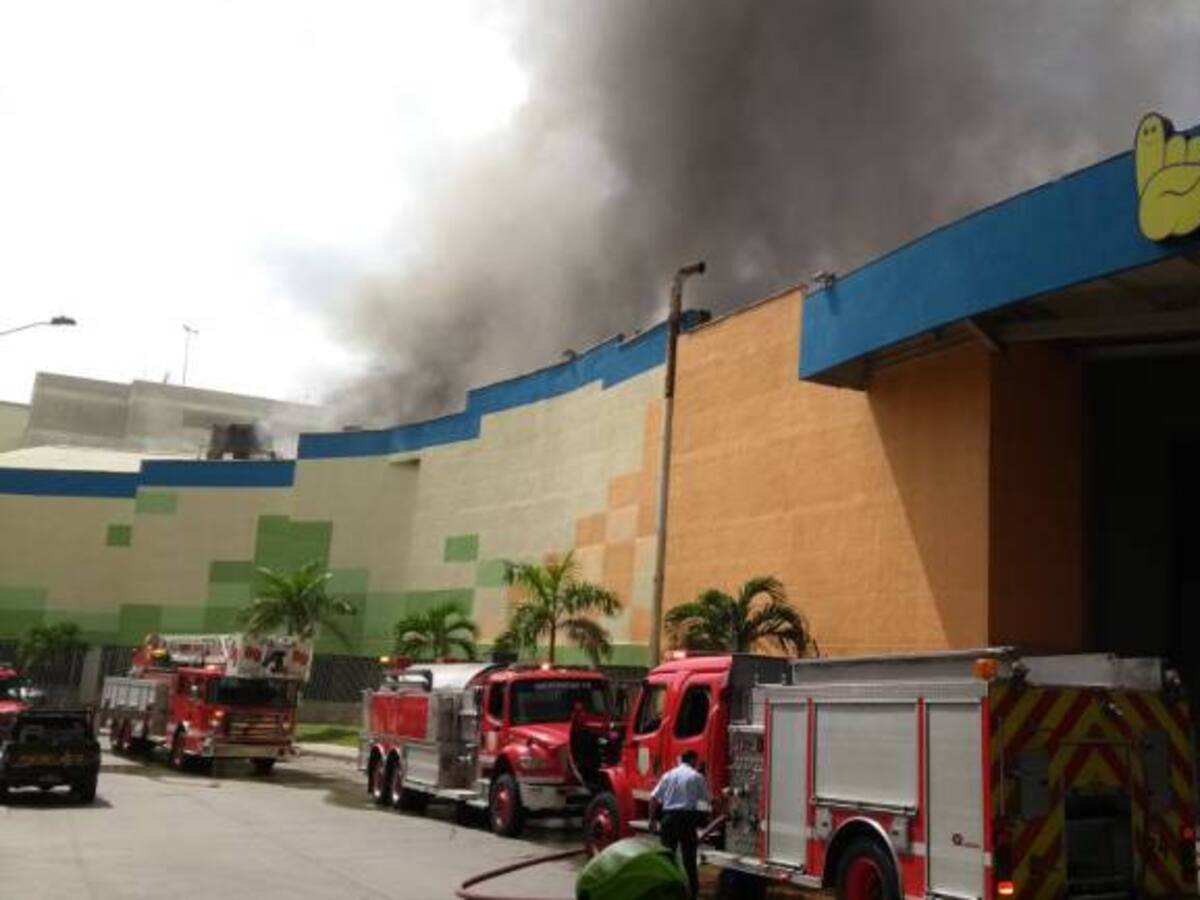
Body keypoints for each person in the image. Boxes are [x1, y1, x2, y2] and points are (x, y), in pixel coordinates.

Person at [649, 750, 709, 899]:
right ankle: (692, 894)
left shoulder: (668, 775)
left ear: (681, 760)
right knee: (689, 859)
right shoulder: (696, 776)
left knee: (667, 858)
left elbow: (653, 798)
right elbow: (708, 800)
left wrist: (652, 820)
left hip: (668, 819)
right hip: (686, 820)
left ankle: (666, 892)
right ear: (693, 760)